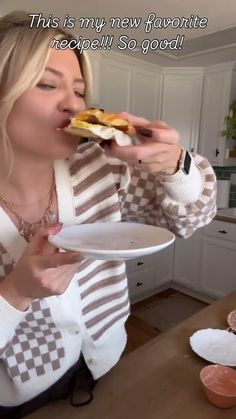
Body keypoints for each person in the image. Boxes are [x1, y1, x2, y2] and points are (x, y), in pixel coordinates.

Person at [0, 10, 216, 418]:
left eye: (80, 91)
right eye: (47, 84)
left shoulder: (99, 168)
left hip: (108, 362)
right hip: (16, 396)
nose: (73, 104)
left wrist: (174, 166)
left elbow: (191, 219)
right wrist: (15, 294)